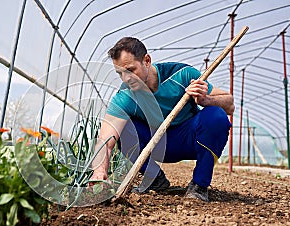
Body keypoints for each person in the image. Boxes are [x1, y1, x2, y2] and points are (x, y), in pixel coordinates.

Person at [90, 37, 234, 202]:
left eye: (130, 70)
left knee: (216, 116)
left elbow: (229, 104)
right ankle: (155, 179)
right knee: (122, 127)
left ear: (147, 60)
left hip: (187, 139)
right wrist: (99, 172)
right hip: (155, 145)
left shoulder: (182, 75)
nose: (126, 78)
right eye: (120, 73)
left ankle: (199, 185)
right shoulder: (125, 97)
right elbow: (105, 140)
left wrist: (206, 100)